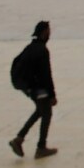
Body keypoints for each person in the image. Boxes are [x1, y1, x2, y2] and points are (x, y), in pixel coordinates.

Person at [9, 21, 58, 159]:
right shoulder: (42, 51)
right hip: (37, 87)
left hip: (28, 86)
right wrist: (52, 95)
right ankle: (41, 148)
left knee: (40, 111)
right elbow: (46, 75)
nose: (50, 34)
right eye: (48, 31)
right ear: (43, 33)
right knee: (46, 113)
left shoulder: (30, 47)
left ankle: (19, 139)